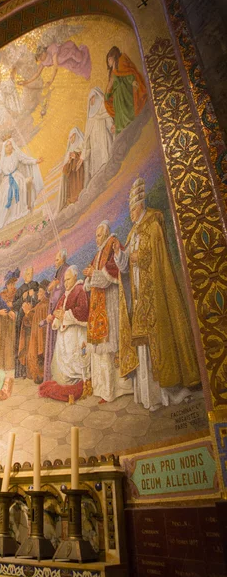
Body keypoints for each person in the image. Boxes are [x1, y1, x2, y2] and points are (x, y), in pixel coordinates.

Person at [114, 177, 201, 411]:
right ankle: (150, 396)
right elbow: (124, 267)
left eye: (132, 209)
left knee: (158, 340)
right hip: (141, 295)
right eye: (130, 210)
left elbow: (155, 254)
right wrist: (120, 256)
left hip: (155, 293)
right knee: (143, 344)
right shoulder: (132, 233)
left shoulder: (153, 222)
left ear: (140, 206)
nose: (131, 214)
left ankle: (170, 392)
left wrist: (137, 258)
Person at [83, 221, 133, 403]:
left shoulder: (112, 244)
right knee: (100, 353)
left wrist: (93, 274)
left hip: (110, 301)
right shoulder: (98, 253)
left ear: (105, 235)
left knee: (110, 350)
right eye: (96, 235)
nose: (96, 239)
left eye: (98, 235)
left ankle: (112, 390)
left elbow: (113, 273)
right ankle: (102, 389)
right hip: (98, 304)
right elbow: (90, 279)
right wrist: (89, 276)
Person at [39, 266, 89, 401]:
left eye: (68, 280)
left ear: (75, 277)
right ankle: (66, 385)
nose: (66, 283)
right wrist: (55, 317)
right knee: (62, 362)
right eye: (64, 280)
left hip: (75, 333)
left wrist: (65, 315)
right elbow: (58, 310)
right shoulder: (66, 294)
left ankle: (77, 386)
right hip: (64, 334)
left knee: (75, 361)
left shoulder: (79, 290)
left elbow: (83, 311)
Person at [0, 138, 44, 232]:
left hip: (16, 177)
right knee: (4, 196)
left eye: (10, 145)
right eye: (7, 146)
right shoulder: (2, 161)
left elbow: (25, 160)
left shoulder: (16, 155)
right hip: (6, 180)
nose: (9, 147)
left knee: (16, 190)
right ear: (4, 148)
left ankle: (18, 213)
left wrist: (35, 161)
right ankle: (7, 218)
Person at [104, 46, 147, 135]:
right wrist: (108, 93)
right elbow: (111, 86)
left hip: (124, 92)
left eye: (109, 59)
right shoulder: (112, 71)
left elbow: (127, 73)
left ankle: (129, 125)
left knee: (126, 110)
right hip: (117, 97)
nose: (108, 63)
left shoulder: (120, 62)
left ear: (112, 57)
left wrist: (133, 81)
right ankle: (122, 128)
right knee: (120, 112)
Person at [19, 41, 91, 88]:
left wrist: (51, 81)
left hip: (69, 49)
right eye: (39, 59)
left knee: (80, 59)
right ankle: (87, 73)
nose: (40, 60)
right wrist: (27, 82)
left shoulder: (52, 48)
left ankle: (83, 52)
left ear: (43, 53)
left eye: (40, 57)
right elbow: (37, 73)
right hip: (64, 61)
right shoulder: (43, 61)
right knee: (75, 67)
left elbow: (55, 67)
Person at [44, 249, 69, 381]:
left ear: (63, 259)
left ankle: (61, 376)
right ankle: (52, 376)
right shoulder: (57, 272)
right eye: (55, 260)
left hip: (60, 313)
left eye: (57, 260)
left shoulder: (67, 270)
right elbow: (48, 294)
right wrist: (49, 288)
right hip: (52, 313)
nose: (55, 263)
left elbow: (64, 291)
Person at [80, 88, 114, 186]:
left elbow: (108, 119)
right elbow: (87, 139)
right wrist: (83, 156)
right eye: (90, 99)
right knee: (96, 166)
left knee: (105, 158)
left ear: (98, 98)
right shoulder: (90, 118)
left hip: (103, 139)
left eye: (94, 98)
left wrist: (111, 125)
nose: (92, 101)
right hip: (94, 147)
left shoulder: (102, 109)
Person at [19, 280, 50, 384]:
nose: (39, 293)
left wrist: (28, 312)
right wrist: (28, 312)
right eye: (39, 291)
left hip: (40, 339)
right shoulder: (40, 305)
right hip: (36, 337)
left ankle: (41, 376)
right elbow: (32, 320)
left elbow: (37, 322)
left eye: (41, 291)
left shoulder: (44, 306)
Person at [13, 267, 39, 378]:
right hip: (21, 319)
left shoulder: (35, 285)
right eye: (28, 273)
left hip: (33, 318)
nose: (30, 275)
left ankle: (31, 370)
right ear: (24, 275)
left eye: (31, 273)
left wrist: (33, 295)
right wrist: (22, 299)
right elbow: (14, 305)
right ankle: (21, 371)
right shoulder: (20, 289)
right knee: (21, 343)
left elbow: (39, 298)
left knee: (32, 342)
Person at [0, 269, 19, 371]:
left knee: (9, 341)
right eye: (10, 284)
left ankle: (9, 365)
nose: (12, 286)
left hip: (11, 322)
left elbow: (18, 306)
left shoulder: (17, 293)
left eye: (13, 284)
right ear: (7, 285)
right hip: (1, 321)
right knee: (0, 341)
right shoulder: (1, 295)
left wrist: (13, 310)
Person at [58, 128, 85, 211]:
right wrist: (69, 161)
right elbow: (65, 171)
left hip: (80, 173)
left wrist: (76, 156)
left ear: (76, 136)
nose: (70, 140)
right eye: (69, 138)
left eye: (72, 137)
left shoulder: (82, 145)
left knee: (79, 189)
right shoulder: (69, 150)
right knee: (73, 191)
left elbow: (84, 158)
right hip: (72, 176)